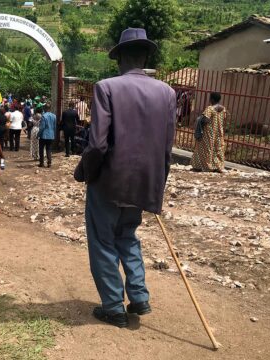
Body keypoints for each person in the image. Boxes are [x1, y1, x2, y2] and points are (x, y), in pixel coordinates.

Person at [75, 28, 176, 328]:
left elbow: (97, 144)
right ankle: (139, 296)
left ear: (119, 58)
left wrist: (84, 172)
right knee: (128, 236)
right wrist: (158, 182)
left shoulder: (106, 88)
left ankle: (113, 307)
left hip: (109, 181)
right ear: (145, 57)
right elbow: (166, 147)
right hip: (145, 181)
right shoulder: (167, 93)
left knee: (103, 241)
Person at [191, 92, 226, 173]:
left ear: (212, 99)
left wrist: (200, 119)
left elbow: (206, 120)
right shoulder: (223, 109)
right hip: (218, 132)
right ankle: (217, 166)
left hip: (209, 132)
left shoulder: (210, 108)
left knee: (205, 149)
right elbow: (223, 119)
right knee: (218, 148)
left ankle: (205, 166)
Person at [38, 103, 56, 168]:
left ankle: (41, 163)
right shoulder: (54, 116)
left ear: (45, 108)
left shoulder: (43, 116)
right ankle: (49, 163)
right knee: (49, 149)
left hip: (44, 135)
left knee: (41, 149)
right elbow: (54, 126)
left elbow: (42, 127)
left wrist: (38, 134)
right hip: (51, 135)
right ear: (50, 108)